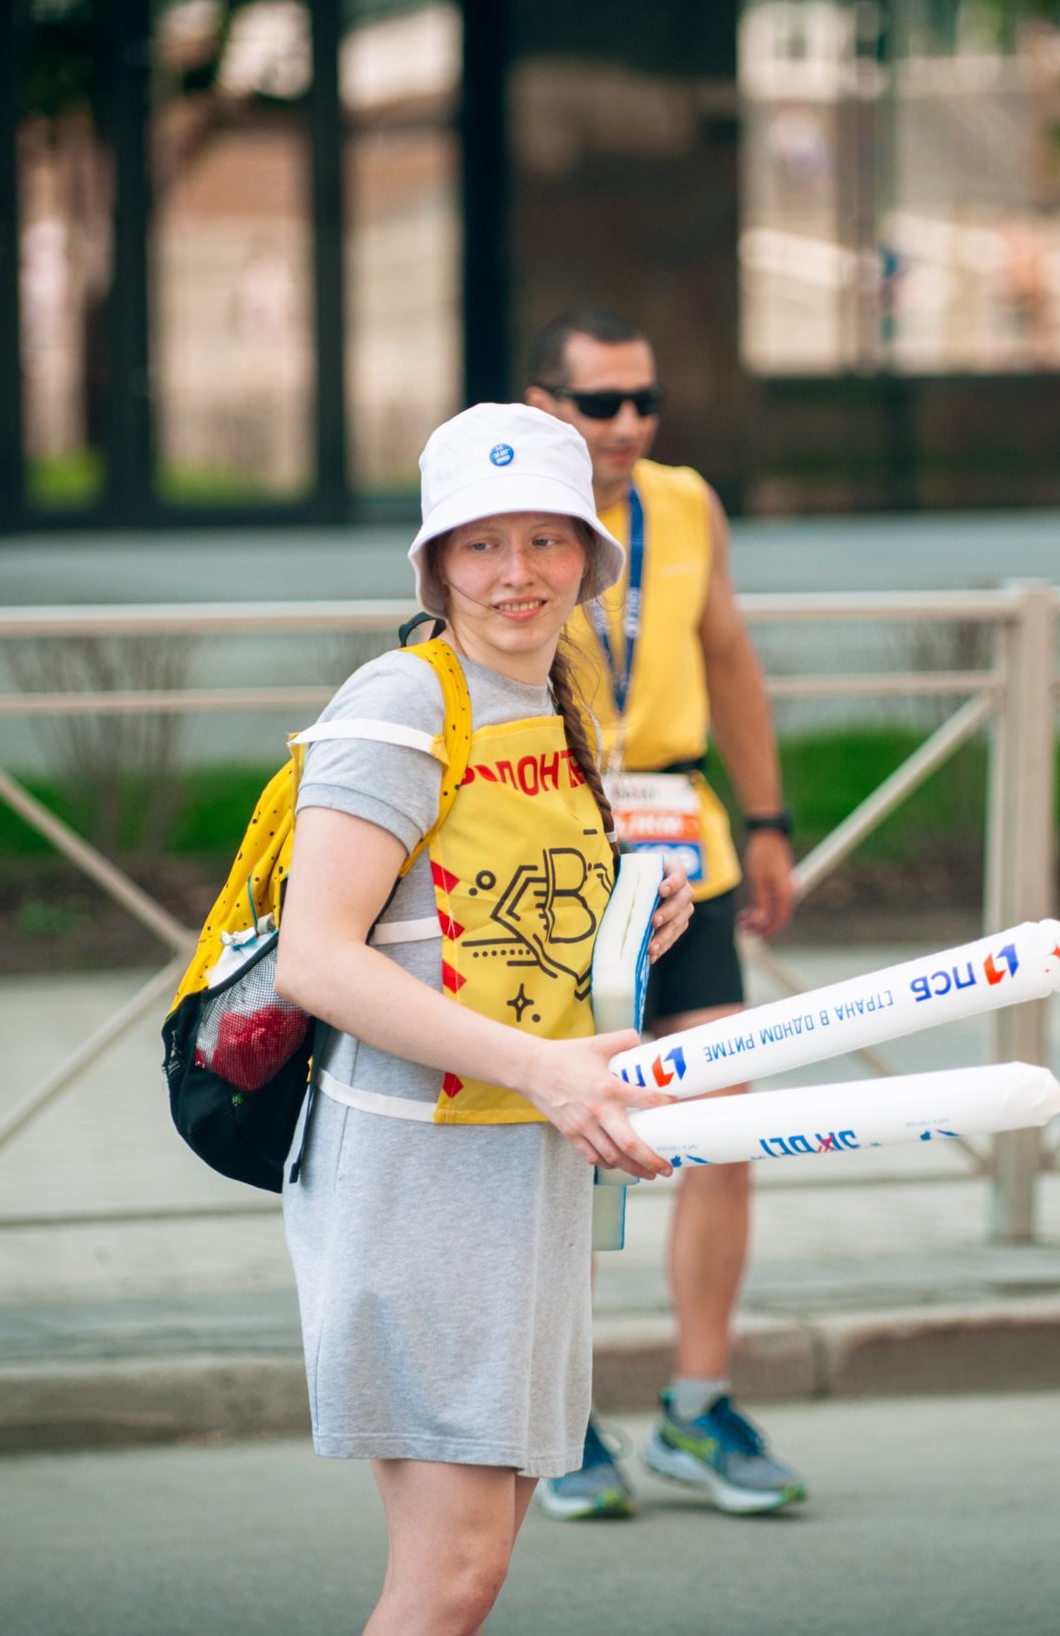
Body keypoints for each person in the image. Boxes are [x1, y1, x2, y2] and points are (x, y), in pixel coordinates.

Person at [275, 400, 696, 1633]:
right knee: (450, 1579)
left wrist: (623, 926)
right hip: (416, 1173)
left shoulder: (559, 705)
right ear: (435, 562)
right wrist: (548, 1069)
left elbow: (493, 924)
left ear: (587, 557)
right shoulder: (402, 699)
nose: (516, 574)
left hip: (525, 1164)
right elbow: (317, 958)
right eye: (480, 544)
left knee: (476, 1569)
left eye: (545, 542)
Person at [520, 309, 810, 1518]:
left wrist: (768, 816)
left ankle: (696, 1406)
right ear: (544, 406)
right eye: (602, 404)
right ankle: (560, 1417)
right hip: (556, 843)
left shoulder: (686, 503)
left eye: (645, 400)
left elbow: (728, 651)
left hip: (680, 838)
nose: (629, 425)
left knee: (721, 1125)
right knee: (571, 1140)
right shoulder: (510, 516)